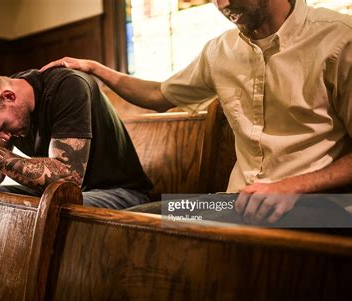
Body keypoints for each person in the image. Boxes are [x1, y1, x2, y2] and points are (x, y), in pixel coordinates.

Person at [40, 0, 352, 224]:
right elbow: (160, 95)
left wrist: (292, 186)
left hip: (321, 206)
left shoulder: (338, 38)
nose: (222, 4)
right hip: (236, 202)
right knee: (131, 221)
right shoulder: (221, 50)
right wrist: (95, 69)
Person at [0, 68, 153, 209]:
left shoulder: (69, 86)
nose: (3, 137)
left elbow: (68, 179)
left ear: (9, 96)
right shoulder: (6, 105)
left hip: (121, 192)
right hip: (64, 193)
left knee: (56, 207)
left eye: (3, 127)